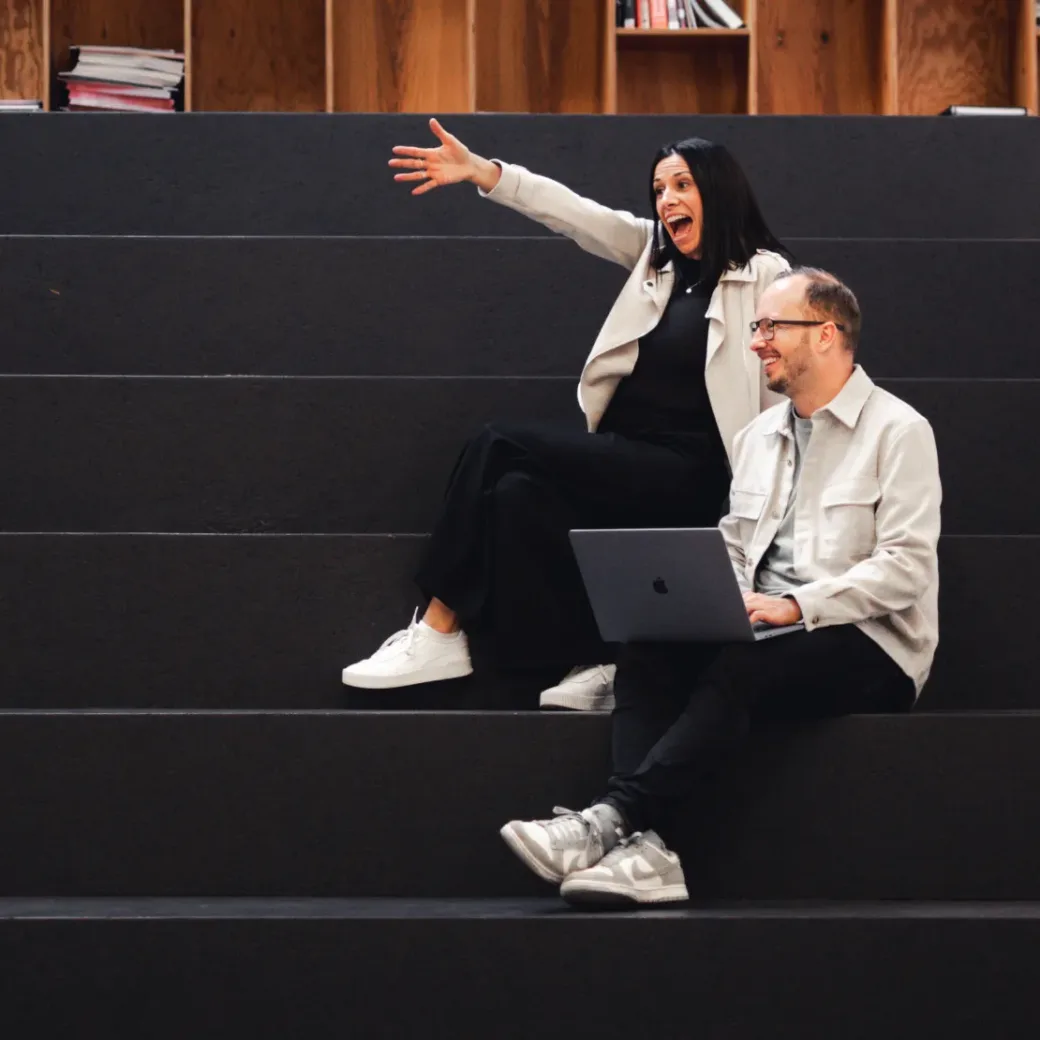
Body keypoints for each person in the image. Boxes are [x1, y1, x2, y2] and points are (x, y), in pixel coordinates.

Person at [500, 267, 942, 906]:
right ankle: (649, 856)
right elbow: (736, 542)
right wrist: (716, 602)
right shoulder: (758, 436)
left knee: (742, 665)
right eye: (756, 326)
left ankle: (612, 821)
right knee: (648, 647)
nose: (757, 340)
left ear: (826, 334)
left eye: (771, 326)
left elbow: (906, 567)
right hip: (767, 628)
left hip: (871, 642)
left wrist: (795, 604)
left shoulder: (899, 431)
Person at [341, 118, 790, 710]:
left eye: (682, 185)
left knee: (498, 441)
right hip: (628, 456)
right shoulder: (654, 258)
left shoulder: (764, 274)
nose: (667, 200)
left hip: (693, 468)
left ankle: (439, 626)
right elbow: (575, 214)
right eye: (658, 190)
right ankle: (600, 659)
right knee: (516, 494)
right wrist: (484, 173)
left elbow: (785, 384)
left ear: (720, 189)